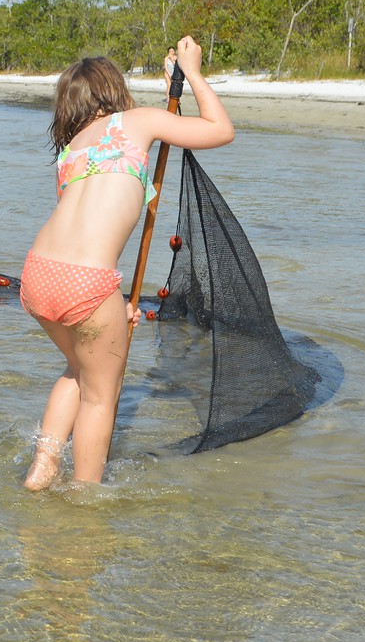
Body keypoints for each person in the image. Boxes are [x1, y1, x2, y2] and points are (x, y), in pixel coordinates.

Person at [19, 36, 234, 490]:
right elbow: (220, 129)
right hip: (88, 283)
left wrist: (112, 311)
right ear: (116, 92)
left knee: (77, 371)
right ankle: (85, 497)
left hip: (39, 273)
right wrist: (192, 73)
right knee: (101, 397)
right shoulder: (139, 121)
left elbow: (84, 224)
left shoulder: (70, 149)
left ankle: (42, 470)